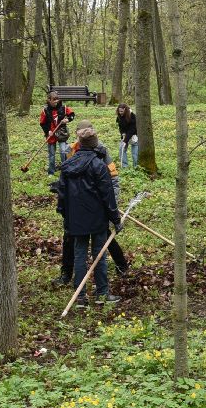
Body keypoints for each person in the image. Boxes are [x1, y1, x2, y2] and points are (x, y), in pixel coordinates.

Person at [54, 130, 130, 285]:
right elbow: (64, 190)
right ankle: (99, 289)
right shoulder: (76, 156)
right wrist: (114, 217)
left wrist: (65, 213)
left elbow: (111, 183)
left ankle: (119, 267)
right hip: (91, 215)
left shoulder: (99, 157)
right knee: (92, 252)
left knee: (85, 250)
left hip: (84, 214)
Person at [40, 89, 75, 174]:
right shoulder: (45, 110)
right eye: (54, 100)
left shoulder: (64, 108)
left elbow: (72, 115)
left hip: (61, 133)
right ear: (49, 100)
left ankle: (65, 169)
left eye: (57, 100)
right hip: (51, 135)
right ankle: (51, 172)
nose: (56, 102)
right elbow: (42, 123)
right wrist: (47, 131)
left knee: (63, 151)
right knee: (51, 154)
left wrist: (67, 120)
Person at [116, 103, 139, 169]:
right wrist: (122, 133)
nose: (120, 113)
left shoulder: (132, 116)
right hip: (125, 136)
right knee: (122, 149)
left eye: (122, 111)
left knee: (135, 154)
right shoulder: (119, 116)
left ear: (125, 110)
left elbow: (132, 130)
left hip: (134, 136)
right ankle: (124, 166)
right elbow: (120, 127)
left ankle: (136, 167)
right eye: (119, 111)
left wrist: (125, 140)